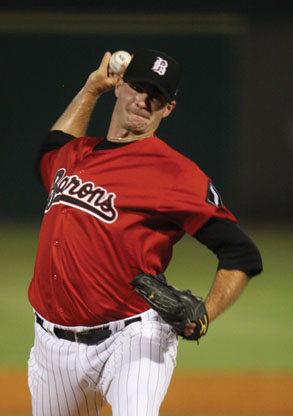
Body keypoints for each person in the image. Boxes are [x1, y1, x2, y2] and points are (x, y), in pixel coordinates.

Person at [27, 49, 262, 416]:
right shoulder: (75, 155)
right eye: (138, 87)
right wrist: (91, 89)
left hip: (133, 338)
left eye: (158, 97)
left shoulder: (176, 173)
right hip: (51, 345)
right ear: (119, 85)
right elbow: (50, 150)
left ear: (168, 109)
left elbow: (241, 253)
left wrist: (205, 315)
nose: (145, 101)